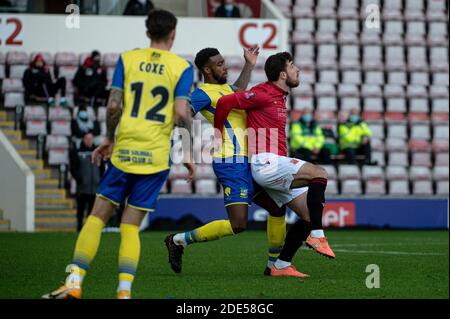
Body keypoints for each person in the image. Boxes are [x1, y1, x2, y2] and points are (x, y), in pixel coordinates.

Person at [43, 9, 194, 300]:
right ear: (173, 34)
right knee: (130, 227)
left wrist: (109, 139)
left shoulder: (128, 59)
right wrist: (186, 149)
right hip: (155, 157)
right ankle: (124, 292)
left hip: (125, 151)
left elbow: (113, 106)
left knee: (97, 217)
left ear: (148, 33)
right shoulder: (182, 67)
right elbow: (180, 112)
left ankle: (74, 282)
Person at [165, 47, 288, 277]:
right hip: (229, 160)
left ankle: (275, 266)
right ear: (207, 69)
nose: (225, 66)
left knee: (277, 208)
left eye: (224, 62)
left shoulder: (227, 89)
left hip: (250, 160)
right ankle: (178, 241)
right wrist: (187, 150)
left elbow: (239, 90)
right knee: (238, 224)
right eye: (220, 64)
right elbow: (183, 116)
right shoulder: (203, 93)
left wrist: (249, 64)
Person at [214, 52, 336, 277]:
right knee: (319, 173)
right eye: (292, 66)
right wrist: (217, 133)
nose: (297, 70)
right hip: (265, 162)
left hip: (274, 164)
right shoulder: (263, 93)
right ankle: (318, 235)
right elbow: (224, 102)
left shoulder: (279, 96)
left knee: (309, 215)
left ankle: (280, 265)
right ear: (282, 74)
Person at [70, 133, 103, 232]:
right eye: (87, 139)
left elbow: (101, 168)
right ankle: (79, 227)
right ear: (83, 139)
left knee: (92, 210)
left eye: (91, 139)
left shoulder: (98, 152)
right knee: (80, 209)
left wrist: (100, 179)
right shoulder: (77, 152)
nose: (89, 141)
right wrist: (80, 179)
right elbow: (73, 168)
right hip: (82, 187)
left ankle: (88, 229)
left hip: (95, 187)